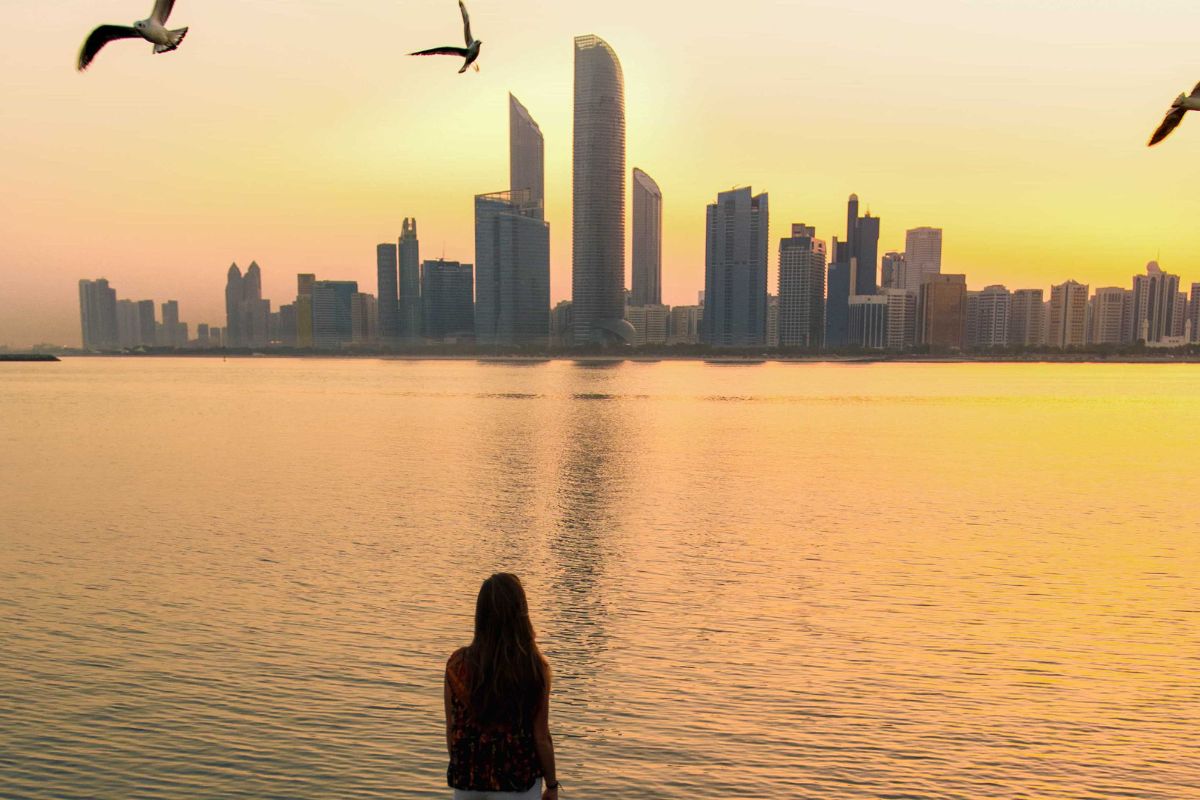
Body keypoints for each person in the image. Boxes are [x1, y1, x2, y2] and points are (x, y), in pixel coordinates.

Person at [445, 573, 560, 800]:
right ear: (521, 614)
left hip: (468, 782)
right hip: (517, 783)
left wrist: (467, 770)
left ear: (481, 615)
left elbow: (452, 731)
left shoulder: (457, 665)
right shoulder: (533, 668)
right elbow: (541, 737)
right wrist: (552, 785)